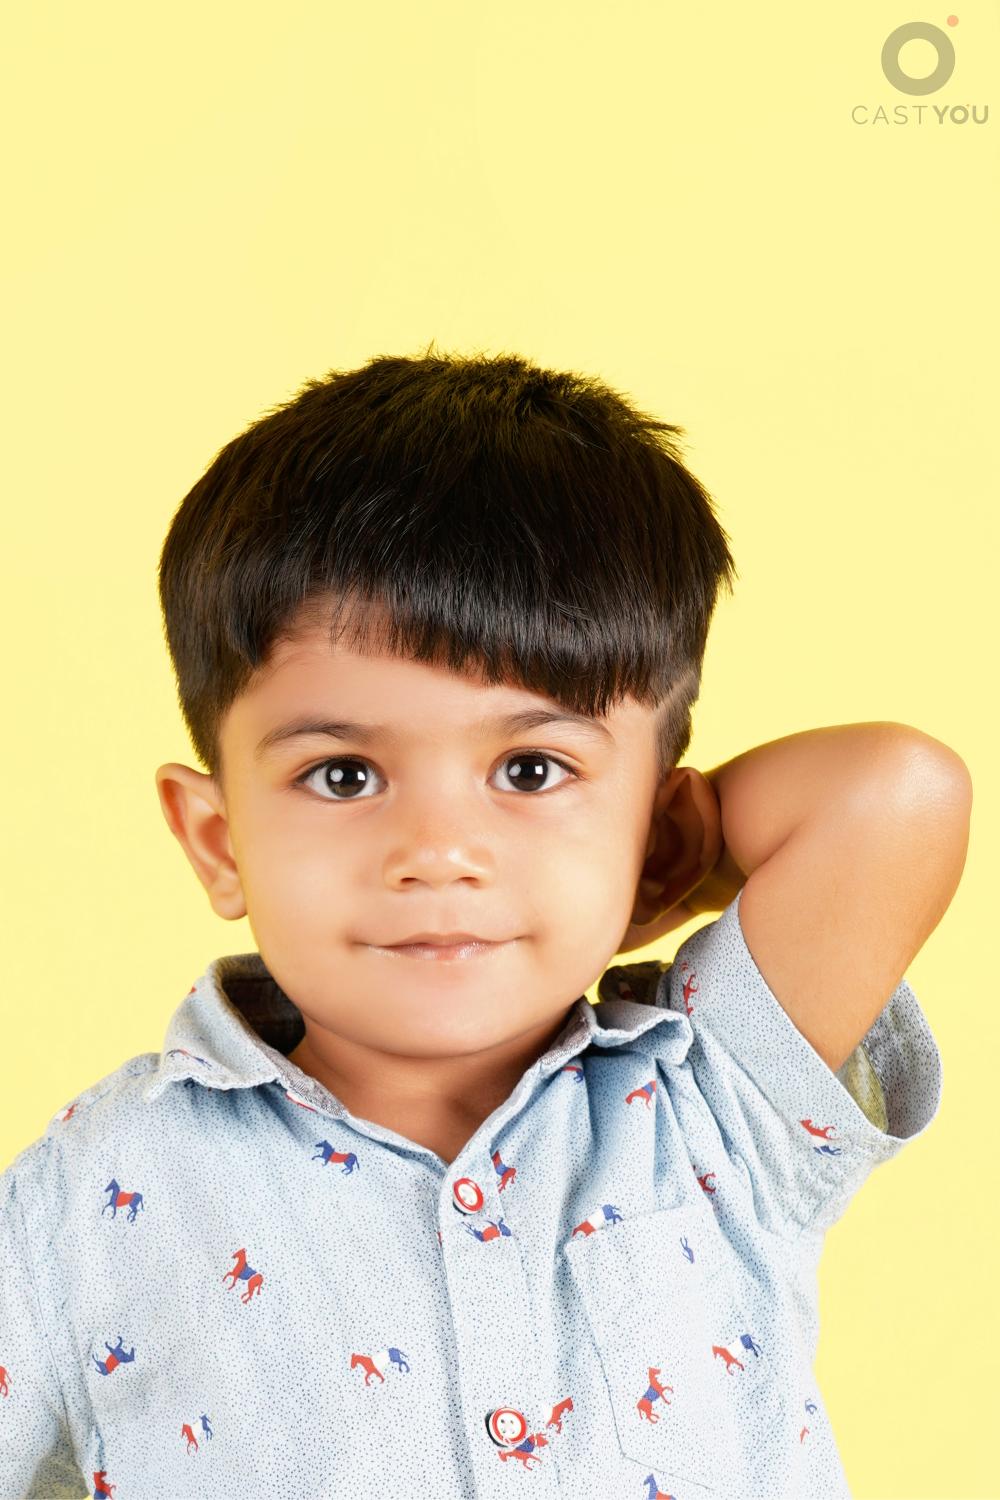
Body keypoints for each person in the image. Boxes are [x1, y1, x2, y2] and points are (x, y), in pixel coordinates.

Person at [0, 346, 970, 1499]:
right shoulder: (88, 1195)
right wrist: (588, 854)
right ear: (220, 841)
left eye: (530, 769)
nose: (439, 851)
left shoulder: (713, 1104)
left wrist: (633, 870)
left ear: (657, 839)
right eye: (344, 776)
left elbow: (891, 795)